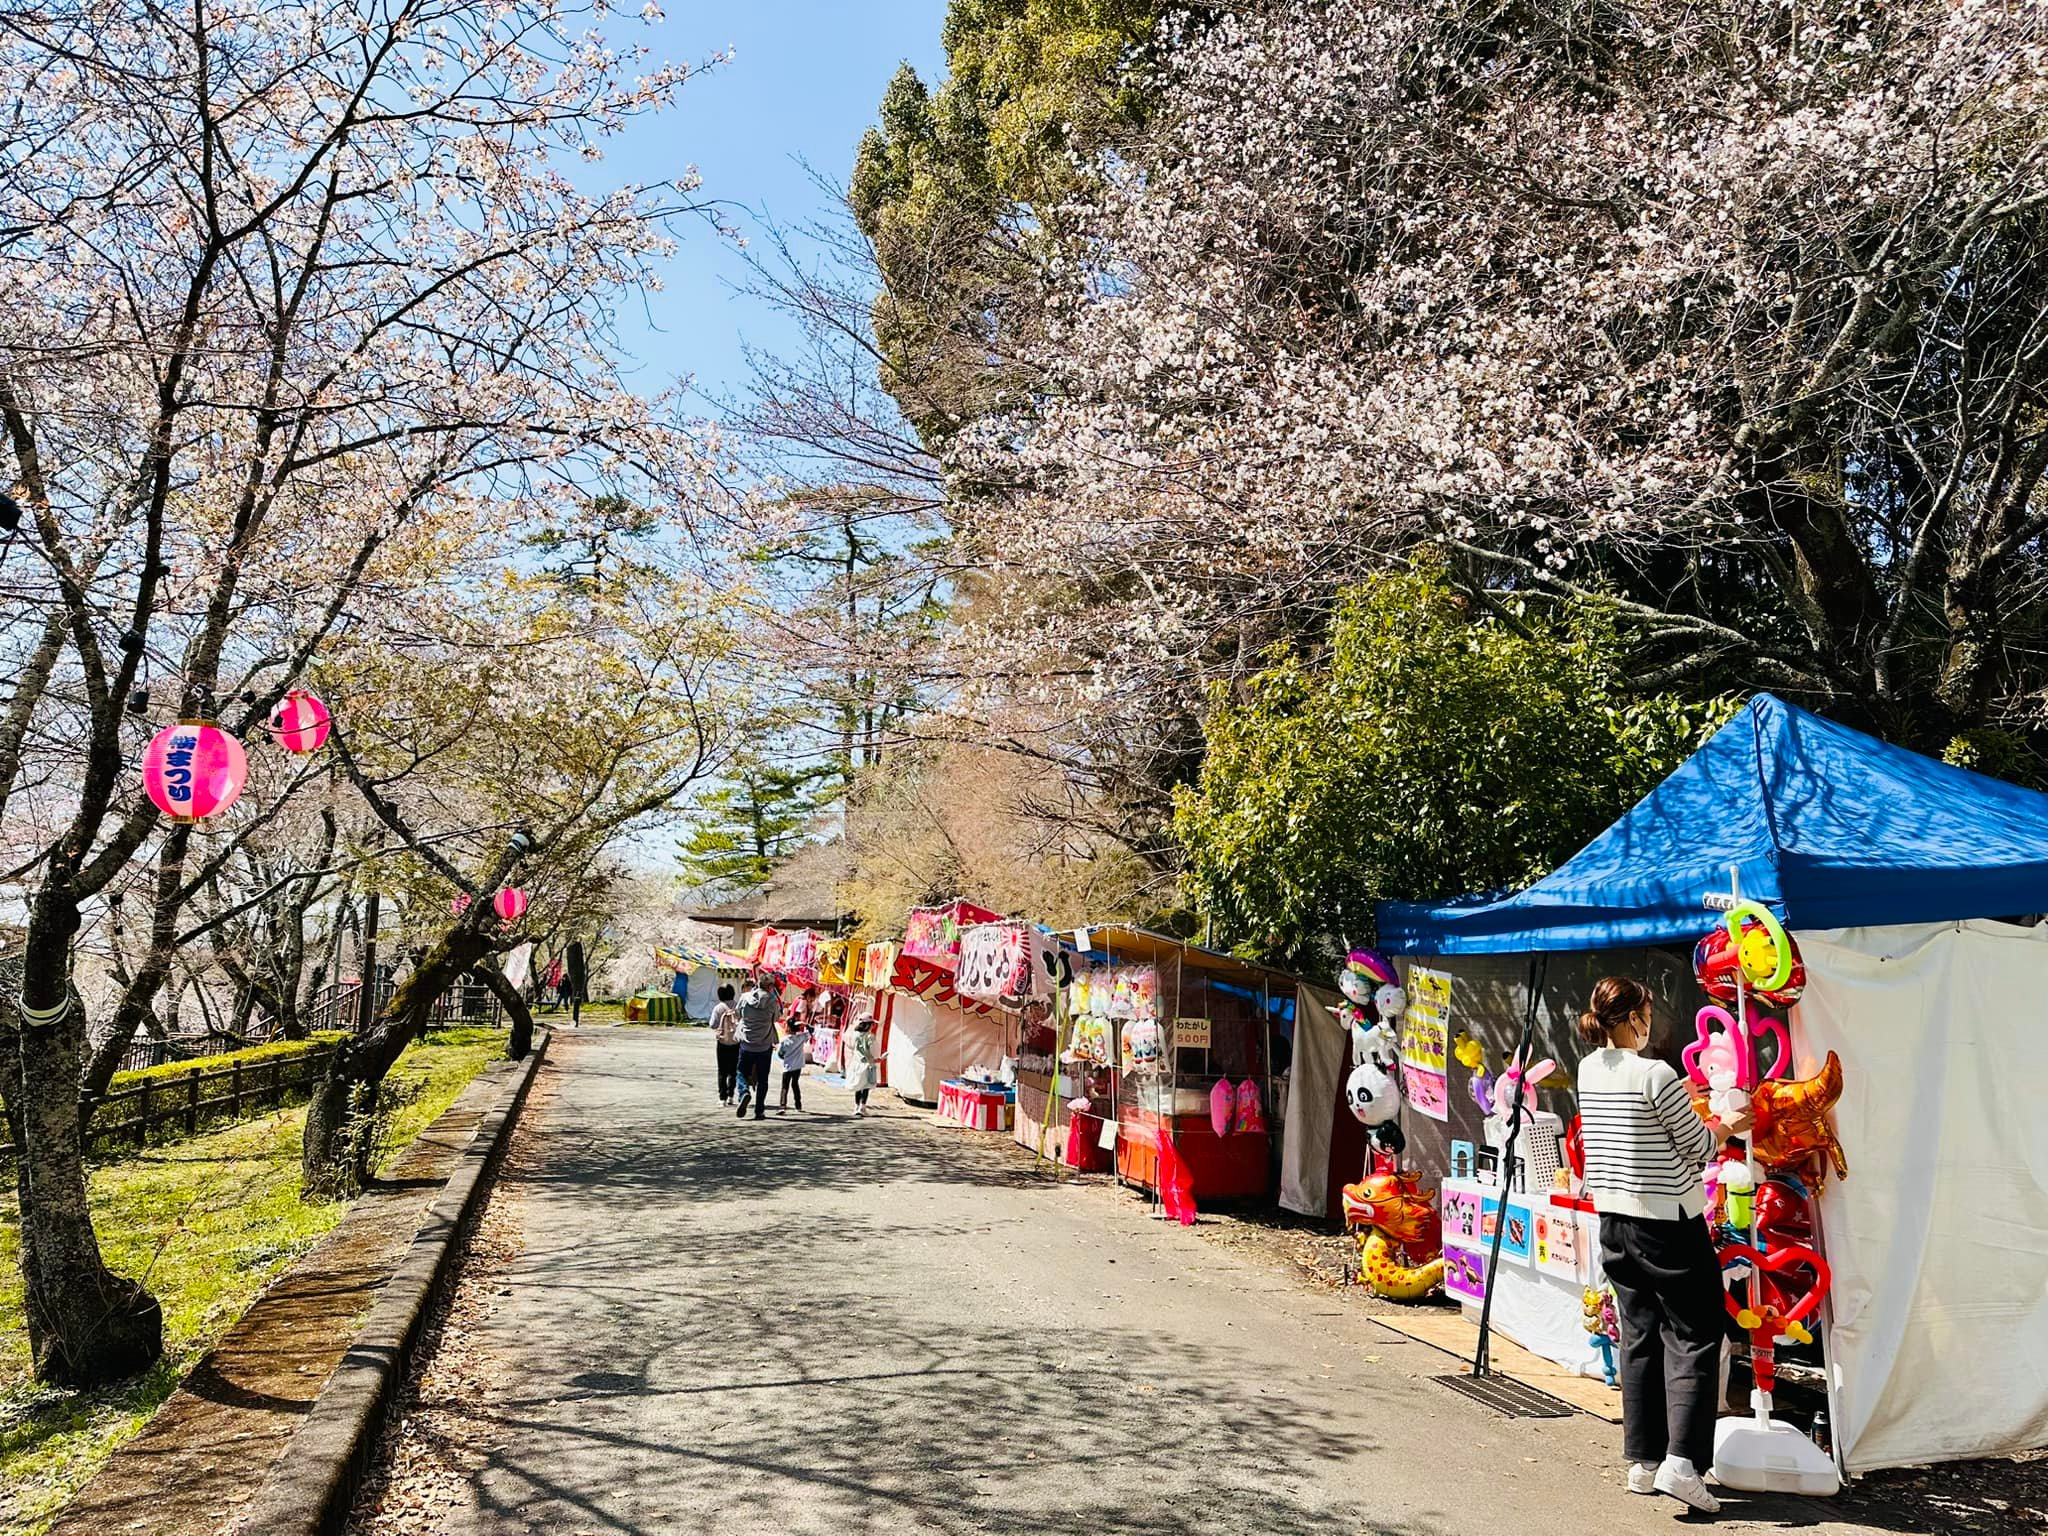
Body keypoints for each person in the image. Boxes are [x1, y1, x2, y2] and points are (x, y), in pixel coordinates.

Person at [1576, 975, 1752, 1515]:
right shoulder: (1656, 1073)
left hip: (1614, 1221)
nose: (1652, 1022)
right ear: (1634, 1019)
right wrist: (1726, 1124)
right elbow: (1697, 1146)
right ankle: (1682, 1463)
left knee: (1640, 1334)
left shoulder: (1588, 1068)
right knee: (1697, 1332)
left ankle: (1644, 1458)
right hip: (1667, 1223)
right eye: (1648, 1012)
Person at [733, 974, 780, 1121]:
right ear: (770, 987)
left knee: (740, 1072)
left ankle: (744, 1092)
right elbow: (776, 1018)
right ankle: (759, 1110)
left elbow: (737, 1013)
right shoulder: (772, 1001)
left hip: (746, 1043)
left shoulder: (745, 997)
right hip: (764, 1045)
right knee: (763, 1079)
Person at [709, 983, 741, 1105]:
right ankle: (731, 1095)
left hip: (722, 1041)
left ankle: (722, 1097)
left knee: (722, 1070)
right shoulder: (738, 1007)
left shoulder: (718, 1008)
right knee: (733, 1070)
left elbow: (712, 1024)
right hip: (736, 1041)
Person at [846, 1014, 880, 1118]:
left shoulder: (855, 1034)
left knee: (858, 1086)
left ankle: (856, 1106)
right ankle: (862, 1107)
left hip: (856, 1063)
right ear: (869, 1025)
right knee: (866, 1086)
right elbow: (874, 1051)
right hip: (867, 1064)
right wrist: (877, 1058)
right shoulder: (870, 1037)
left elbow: (851, 1046)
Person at [777, 1013, 811, 1114]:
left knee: (784, 1086)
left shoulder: (784, 1040)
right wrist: (805, 1024)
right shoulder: (801, 1037)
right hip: (798, 1066)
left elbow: (780, 1053)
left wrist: (784, 1057)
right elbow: (812, 1031)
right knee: (795, 1084)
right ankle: (798, 1105)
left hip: (787, 1066)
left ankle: (782, 1106)